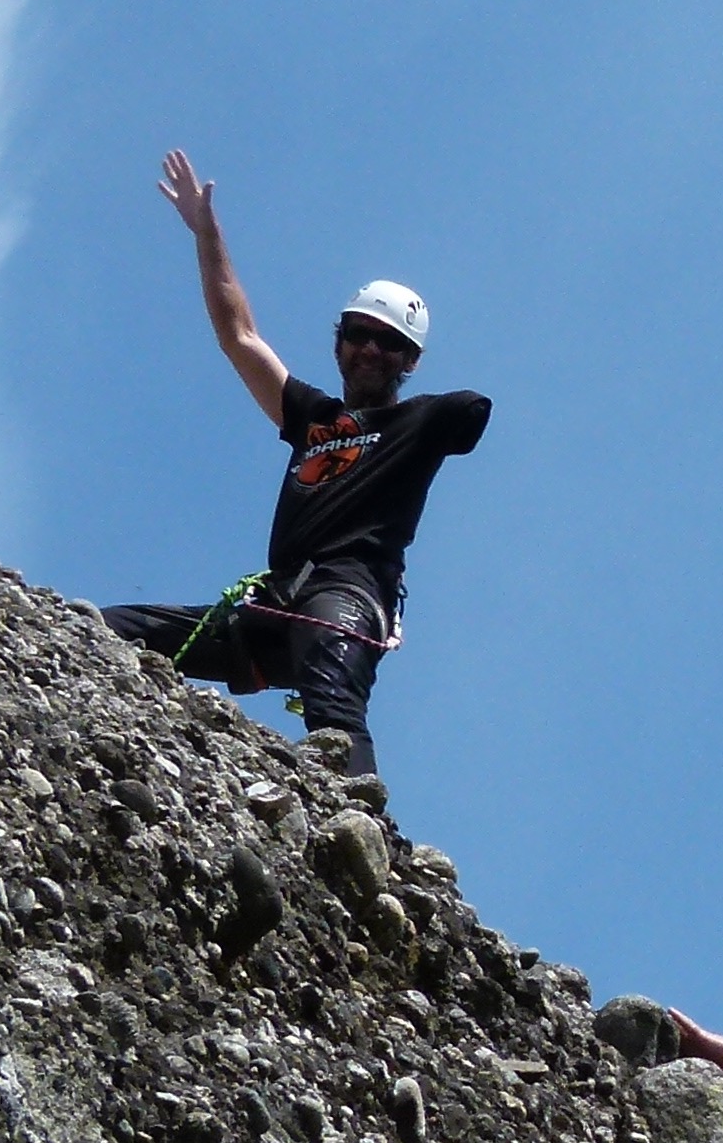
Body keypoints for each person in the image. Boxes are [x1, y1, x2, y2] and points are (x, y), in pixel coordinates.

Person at [104, 147, 488, 791]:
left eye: (388, 342)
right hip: (275, 603)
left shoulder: (419, 422)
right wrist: (208, 235)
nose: (369, 348)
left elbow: (473, 413)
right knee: (113, 629)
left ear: (409, 361)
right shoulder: (312, 418)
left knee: (332, 707)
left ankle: (362, 830)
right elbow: (241, 337)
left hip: (345, 597)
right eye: (358, 333)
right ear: (338, 341)